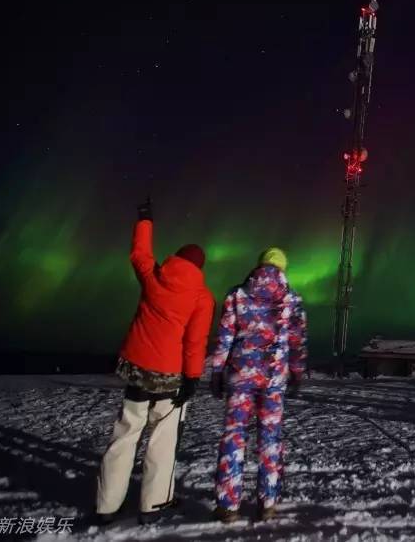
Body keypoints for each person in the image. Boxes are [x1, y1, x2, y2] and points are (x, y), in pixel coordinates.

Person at [95, 197, 215, 525]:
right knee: (163, 439)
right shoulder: (202, 298)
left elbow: (139, 255)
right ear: (200, 268)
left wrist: (145, 220)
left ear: (176, 258)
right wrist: (192, 378)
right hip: (171, 377)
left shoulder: (155, 277)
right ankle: (153, 505)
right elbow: (195, 342)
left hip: (137, 370)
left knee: (126, 432)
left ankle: (107, 505)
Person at [210, 247, 308, 523]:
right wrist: (297, 373)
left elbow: (225, 337)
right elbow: (298, 342)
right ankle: (268, 504)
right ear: (282, 269)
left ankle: (228, 506)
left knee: (234, 436)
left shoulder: (237, 295)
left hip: (240, 378)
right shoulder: (292, 299)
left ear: (259, 265)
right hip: (274, 380)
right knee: (270, 438)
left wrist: (217, 371)